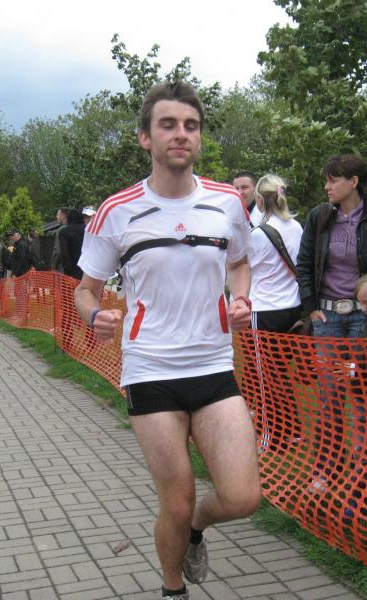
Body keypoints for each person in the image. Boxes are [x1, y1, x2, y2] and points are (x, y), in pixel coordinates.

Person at [74, 81, 261, 600]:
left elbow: (239, 262)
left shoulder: (227, 202)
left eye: (191, 126)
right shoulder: (117, 210)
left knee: (243, 498)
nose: (181, 134)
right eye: (168, 125)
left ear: (199, 137)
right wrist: (95, 316)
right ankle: (173, 588)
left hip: (214, 366)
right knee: (174, 503)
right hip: (151, 369)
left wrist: (241, 298)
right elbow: (85, 291)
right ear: (145, 138)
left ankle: (198, 528)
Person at [296, 154, 367, 339]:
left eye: (333, 181)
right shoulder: (318, 216)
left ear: (353, 181)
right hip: (325, 315)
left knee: (362, 361)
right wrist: (311, 308)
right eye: (326, 181)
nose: (326, 187)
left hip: (364, 314)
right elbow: (304, 264)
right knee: (326, 362)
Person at [247, 174, 303, 332]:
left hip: (264, 308)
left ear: (260, 199)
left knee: (258, 351)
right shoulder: (297, 227)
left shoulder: (258, 234)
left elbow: (243, 269)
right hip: (293, 306)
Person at [57, 208, 85, 279]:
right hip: (87, 270)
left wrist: (68, 271)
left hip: (72, 271)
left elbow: (64, 254)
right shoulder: (88, 229)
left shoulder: (64, 232)